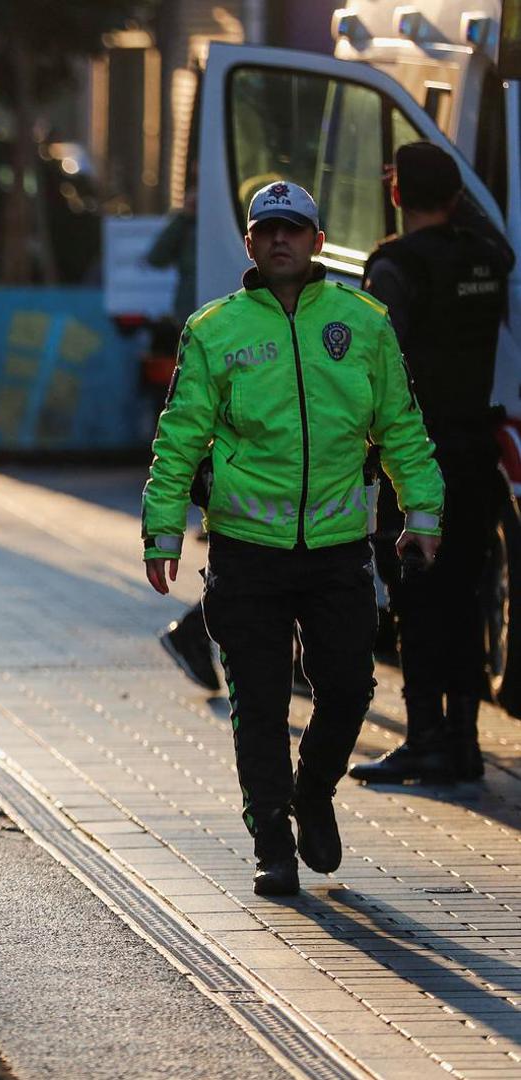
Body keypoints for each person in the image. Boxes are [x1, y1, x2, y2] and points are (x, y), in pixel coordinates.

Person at [141, 180, 443, 897]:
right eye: (266, 230)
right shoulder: (213, 329)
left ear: (316, 240)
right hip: (246, 552)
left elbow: (399, 426)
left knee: (346, 687)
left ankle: (311, 794)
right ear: (248, 244)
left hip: (338, 548)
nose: (280, 240)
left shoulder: (362, 321)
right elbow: (179, 437)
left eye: (293, 229)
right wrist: (161, 531)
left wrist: (422, 515)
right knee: (259, 702)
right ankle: (271, 839)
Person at [350, 143, 515, 785]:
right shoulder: (490, 258)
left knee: (416, 597)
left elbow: (375, 365)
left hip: (416, 455)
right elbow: (489, 231)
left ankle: (424, 740)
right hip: (477, 450)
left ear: (395, 196)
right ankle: (465, 742)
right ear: (454, 198)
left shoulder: (393, 267)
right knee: (465, 595)